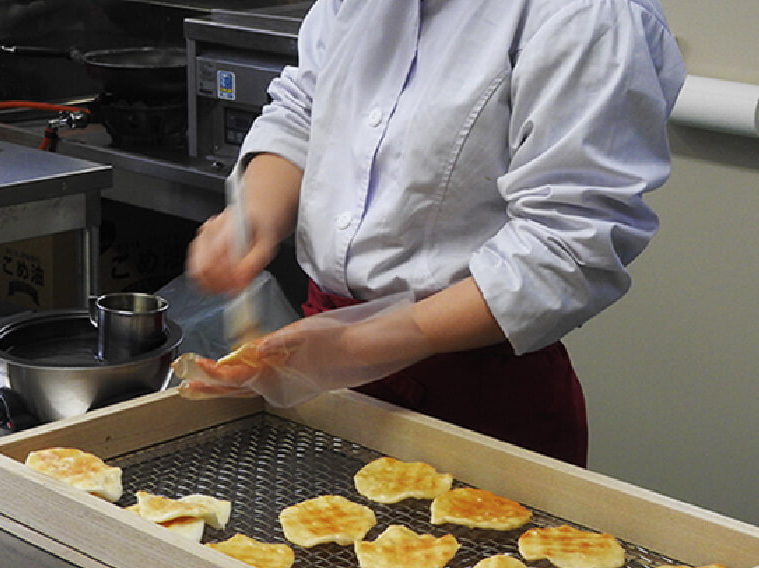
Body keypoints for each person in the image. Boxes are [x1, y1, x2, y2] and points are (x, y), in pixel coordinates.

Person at [184, 0, 686, 467]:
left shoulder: (588, 16)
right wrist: (253, 218)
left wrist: (353, 347)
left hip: (477, 388)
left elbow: (565, 248)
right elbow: (302, 109)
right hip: (322, 355)